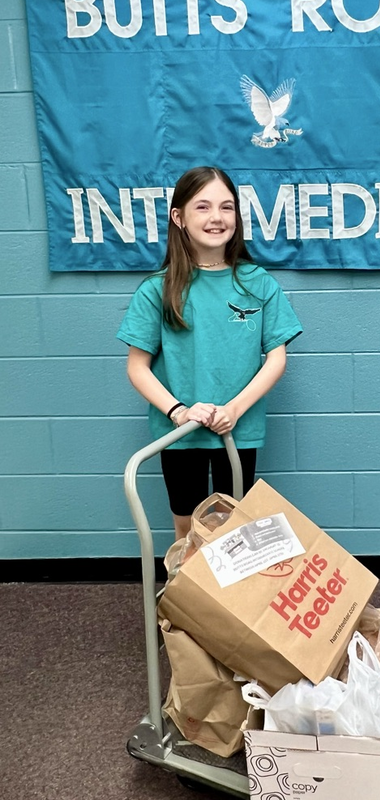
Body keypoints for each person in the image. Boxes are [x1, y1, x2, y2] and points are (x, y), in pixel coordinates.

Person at [117, 166, 302, 539]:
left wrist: (233, 409)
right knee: (187, 527)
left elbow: (276, 359)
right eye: (202, 207)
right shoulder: (157, 290)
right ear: (178, 217)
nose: (216, 217)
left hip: (237, 428)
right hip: (180, 432)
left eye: (227, 207)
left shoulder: (258, 283)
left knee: (234, 530)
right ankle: (186, 595)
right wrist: (179, 411)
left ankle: (227, 598)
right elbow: (138, 368)